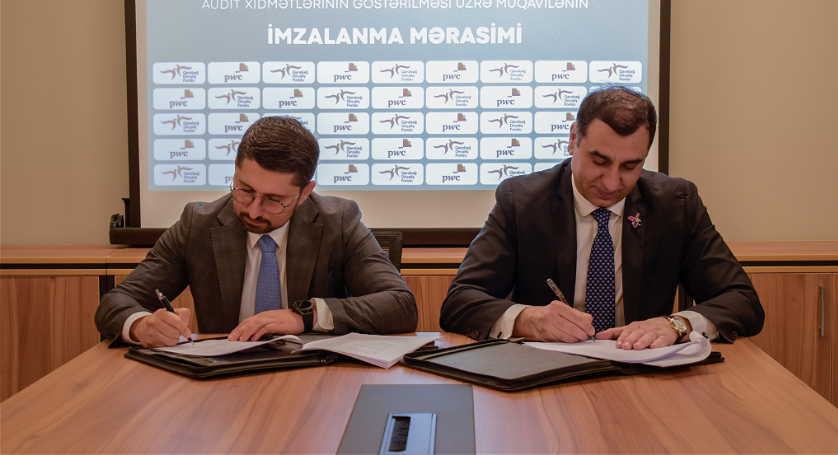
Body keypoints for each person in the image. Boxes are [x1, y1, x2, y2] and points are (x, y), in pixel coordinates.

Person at [440, 85, 764, 349]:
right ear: (573, 139)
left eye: (630, 166)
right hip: (546, 374)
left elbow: (742, 301)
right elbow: (460, 302)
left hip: (643, 371)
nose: (611, 183)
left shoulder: (675, 204)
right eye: (599, 161)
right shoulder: (522, 201)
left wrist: (677, 324)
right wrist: (530, 320)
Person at [96, 117, 417, 347]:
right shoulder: (199, 224)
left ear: (305, 193)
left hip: (314, 379)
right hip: (223, 382)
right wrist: (141, 326)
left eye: (274, 200)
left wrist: (306, 317)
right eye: (245, 191)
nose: (253, 211)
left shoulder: (338, 222)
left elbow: (400, 305)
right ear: (235, 167)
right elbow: (117, 301)